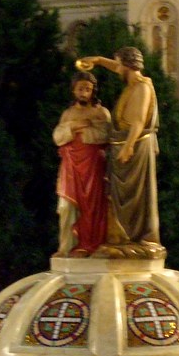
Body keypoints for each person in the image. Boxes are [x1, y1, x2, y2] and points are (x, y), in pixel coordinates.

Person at [80, 47, 163, 258]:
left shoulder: (142, 88)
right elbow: (115, 65)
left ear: (127, 65)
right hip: (124, 143)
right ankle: (123, 236)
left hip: (135, 147)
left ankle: (136, 237)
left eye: (119, 65)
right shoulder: (133, 83)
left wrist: (128, 147)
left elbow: (137, 121)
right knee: (121, 195)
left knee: (133, 195)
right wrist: (98, 59)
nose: (116, 70)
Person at [52, 71, 111, 256]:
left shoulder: (101, 112)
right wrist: (76, 126)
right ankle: (67, 246)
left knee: (94, 206)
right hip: (70, 166)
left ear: (93, 91)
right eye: (80, 88)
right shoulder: (68, 113)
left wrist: (83, 131)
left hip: (93, 165)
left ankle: (93, 244)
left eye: (87, 88)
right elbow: (57, 136)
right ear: (74, 91)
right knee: (67, 206)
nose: (84, 92)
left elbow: (106, 135)